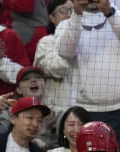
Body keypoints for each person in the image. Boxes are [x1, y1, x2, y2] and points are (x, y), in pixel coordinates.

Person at [56, 0, 120, 152]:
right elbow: (65, 51)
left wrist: (109, 12)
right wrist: (77, 13)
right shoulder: (67, 24)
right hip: (90, 113)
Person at [34, 0, 76, 133]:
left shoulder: (87, 41)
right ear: (52, 17)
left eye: (73, 11)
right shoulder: (46, 42)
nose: (69, 15)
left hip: (81, 111)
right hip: (54, 115)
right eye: (64, 11)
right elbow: (55, 69)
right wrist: (71, 51)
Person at [0, 66, 47, 135]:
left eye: (38, 77)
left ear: (45, 84)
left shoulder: (54, 111)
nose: (33, 80)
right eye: (26, 79)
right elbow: (0, 137)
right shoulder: (9, 110)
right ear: (18, 89)